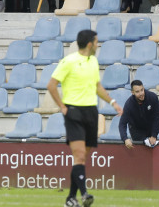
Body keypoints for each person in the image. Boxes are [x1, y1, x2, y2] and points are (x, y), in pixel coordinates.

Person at [48, 29, 123, 207]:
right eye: (97, 42)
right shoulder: (69, 61)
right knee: (80, 155)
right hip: (74, 111)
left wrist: (113, 102)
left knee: (81, 159)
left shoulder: (94, 61)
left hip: (91, 112)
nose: (98, 45)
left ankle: (70, 198)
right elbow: (51, 85)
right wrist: (62, 107)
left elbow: (97, 86)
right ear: (90, 44)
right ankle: (85, 194)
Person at [120, 80, 159, 148]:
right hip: (136, 130)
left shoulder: (153, 97)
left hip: (150, 127)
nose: (141, 93)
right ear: (132, 92)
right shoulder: (129, 104)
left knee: (152, 145)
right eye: (137, 92)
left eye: (142, 90)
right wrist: (125, 139)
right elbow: (122, 123)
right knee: (142, 150)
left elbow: (157, 118)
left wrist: (154, 135)